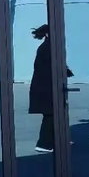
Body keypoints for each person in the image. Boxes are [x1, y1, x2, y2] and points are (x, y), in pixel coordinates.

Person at [28, 24, 73, 153]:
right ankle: (44, 144)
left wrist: (65, 71)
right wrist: (65, 71)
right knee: (51, 115)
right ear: (47, 34)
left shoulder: (48, 47)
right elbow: (50, 67)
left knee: (54, 114)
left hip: (46, 87)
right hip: (46, 88)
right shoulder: (48, 48)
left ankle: (57, 140)